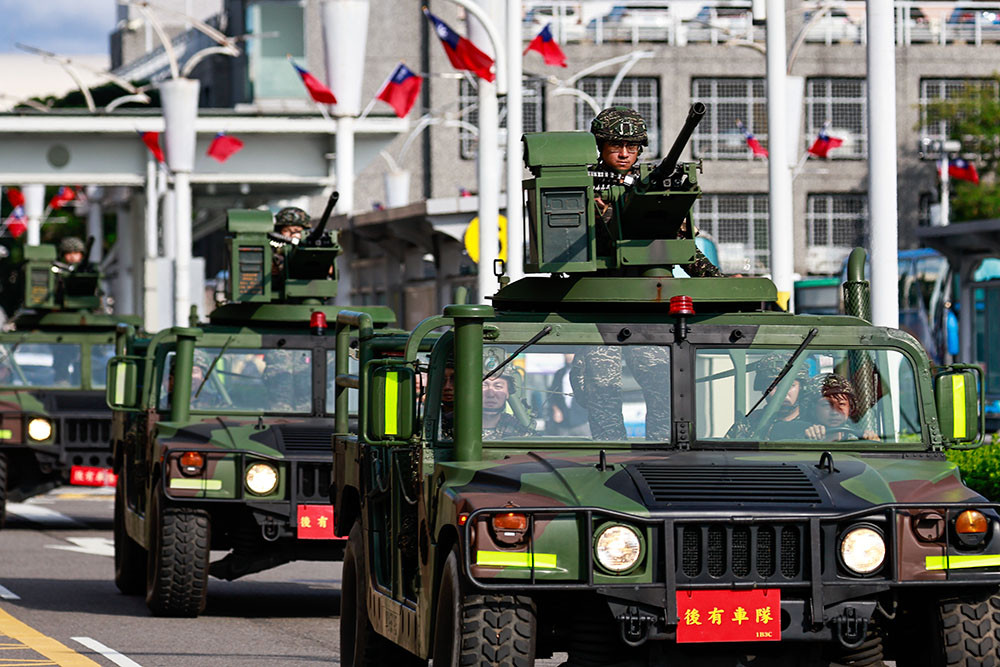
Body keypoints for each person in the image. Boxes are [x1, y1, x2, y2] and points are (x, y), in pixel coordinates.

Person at [589, 106, 723, 278]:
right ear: (601, 145)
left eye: (631, 147)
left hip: (651, 278)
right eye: (615, 145)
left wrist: (715, 278)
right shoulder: (585, 181)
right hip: (599, 278)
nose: (624, 154)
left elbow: (676, 238)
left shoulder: (649, 182)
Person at [727, 354, 809, 440]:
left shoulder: (814, 420)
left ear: (802, 388)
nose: (782, 393)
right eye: (773, 386)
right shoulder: (750, 423)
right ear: (763, 390)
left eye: (791, 385)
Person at [801, 373, 879, 442]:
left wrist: (874, 446)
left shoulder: (857, 439)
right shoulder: (800, 435)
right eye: (826, 405)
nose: (835, 412)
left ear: (850, 408)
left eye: (842, 404)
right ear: (812, 409)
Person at [482, 370, 533, 440]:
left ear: (508, 393)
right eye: (483, 385)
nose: (490, 394)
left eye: (498, 386)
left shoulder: (520, 432)